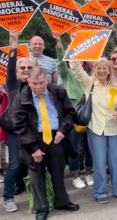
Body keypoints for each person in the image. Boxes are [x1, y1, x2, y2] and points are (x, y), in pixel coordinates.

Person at [10, 67, 80, 220]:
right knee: (37, 175)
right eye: (34, 83)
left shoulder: (59, 92)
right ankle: (41, 207)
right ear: (28, 82)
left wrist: (63, 130)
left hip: (56, 137)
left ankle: (62, 201)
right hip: (34, 140)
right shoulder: (21, 97)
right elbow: (19, 126)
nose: (38, 87)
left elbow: (69, 113)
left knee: (58, 172)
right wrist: (33, 148)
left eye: (41, 83)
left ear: (47, 80)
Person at [71, 57, 117, 204]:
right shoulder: (89, 84)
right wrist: (75, 51)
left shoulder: (116, 87)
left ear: (109, 70)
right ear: (94, 70)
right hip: (96, 129)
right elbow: (76, 70)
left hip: (113, 128)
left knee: (115, 161)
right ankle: (100, 192)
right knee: (99, 161)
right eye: (99, 68)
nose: (102, 71)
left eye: (104, 68)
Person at [3, 29, 38, 212]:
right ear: (18, 71)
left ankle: (41, 195)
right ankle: (8, 198)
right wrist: (14, 45)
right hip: (16, 131)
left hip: (34, 130)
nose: (25, 70)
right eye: (22, 68)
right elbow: (10, 66)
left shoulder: (38, 85)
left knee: (36, 161)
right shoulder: (12, 84)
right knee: (15, 164)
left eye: (29, 67)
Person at [53, 31, 93, 189]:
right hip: (73, 114)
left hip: (90, 115)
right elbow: (62, 64)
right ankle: (75, 174)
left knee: (90, 146)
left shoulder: (91, 76)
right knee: (74, 147)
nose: (79, 60)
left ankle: (89, 172)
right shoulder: (67, 74)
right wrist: (59, 43)